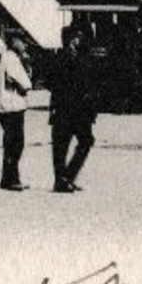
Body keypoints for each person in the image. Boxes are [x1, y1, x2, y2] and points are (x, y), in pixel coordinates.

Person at [50, 29, 97, 193]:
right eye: (77, 38)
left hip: (81, 110)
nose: (79, 41)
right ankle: (61, 180)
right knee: (61, 146)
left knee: (86, 141)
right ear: (70, 40)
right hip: (65, 108)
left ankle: (68, 176)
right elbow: (53, 83)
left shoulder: (82, 57)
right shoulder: (59, 58)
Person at [0, 34, 33, 191]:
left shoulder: (8, 57)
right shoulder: (11, 59)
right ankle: (10, 179)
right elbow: (24, 83)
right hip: (12, 105)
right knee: (15, 143)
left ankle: (10, 177)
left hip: (10, 105)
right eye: (22, 42)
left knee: (13, 143)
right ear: (14, 41)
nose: (25, 45)